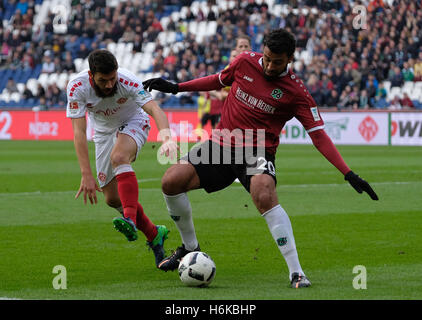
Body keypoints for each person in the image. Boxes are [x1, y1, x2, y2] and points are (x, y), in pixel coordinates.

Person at [142, 29, 378, 288]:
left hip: (256, 150)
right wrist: (177, 87)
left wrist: (347, 172)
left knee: (264, 194)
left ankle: (296, 272)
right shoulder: (244, 62)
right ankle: (189, 248)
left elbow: (318, 135)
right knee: (171, 181)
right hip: (221, 142)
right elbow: (217, 80)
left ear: (290, 58)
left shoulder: (296, 92)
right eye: (266, 58)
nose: (269, 65)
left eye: (277, 61)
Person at [66, 49, 178, 267]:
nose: (109, 85)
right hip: (103, 132)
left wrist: (167, 138)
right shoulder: (77, 87)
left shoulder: (128, 81)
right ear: (91, 76)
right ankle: (155, 234)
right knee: (112, 199)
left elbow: (155, 109)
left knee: (119, 157)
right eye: (103, 80)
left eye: (112, 79)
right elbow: (79, 132)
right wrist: (85, 175)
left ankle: (129, 219)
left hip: (134, 121)